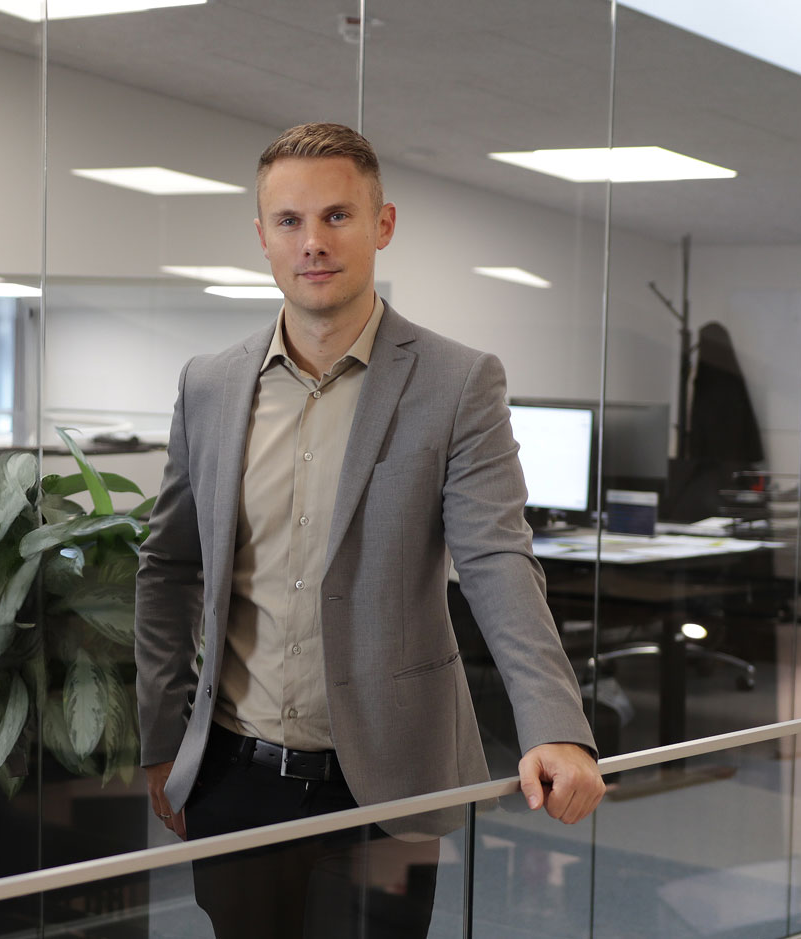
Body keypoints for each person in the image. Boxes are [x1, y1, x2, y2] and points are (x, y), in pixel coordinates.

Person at [134, 123, 604, 938]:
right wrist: (161, 738)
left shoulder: (458, 381)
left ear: (382, 225)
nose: (313, 242)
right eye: (289, 221)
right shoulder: (209, 385)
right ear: (262, 238)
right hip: (234, 777)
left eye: (338, 216)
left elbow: (496, 557)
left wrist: (556, 726)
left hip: (385, 782)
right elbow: (169, 566)